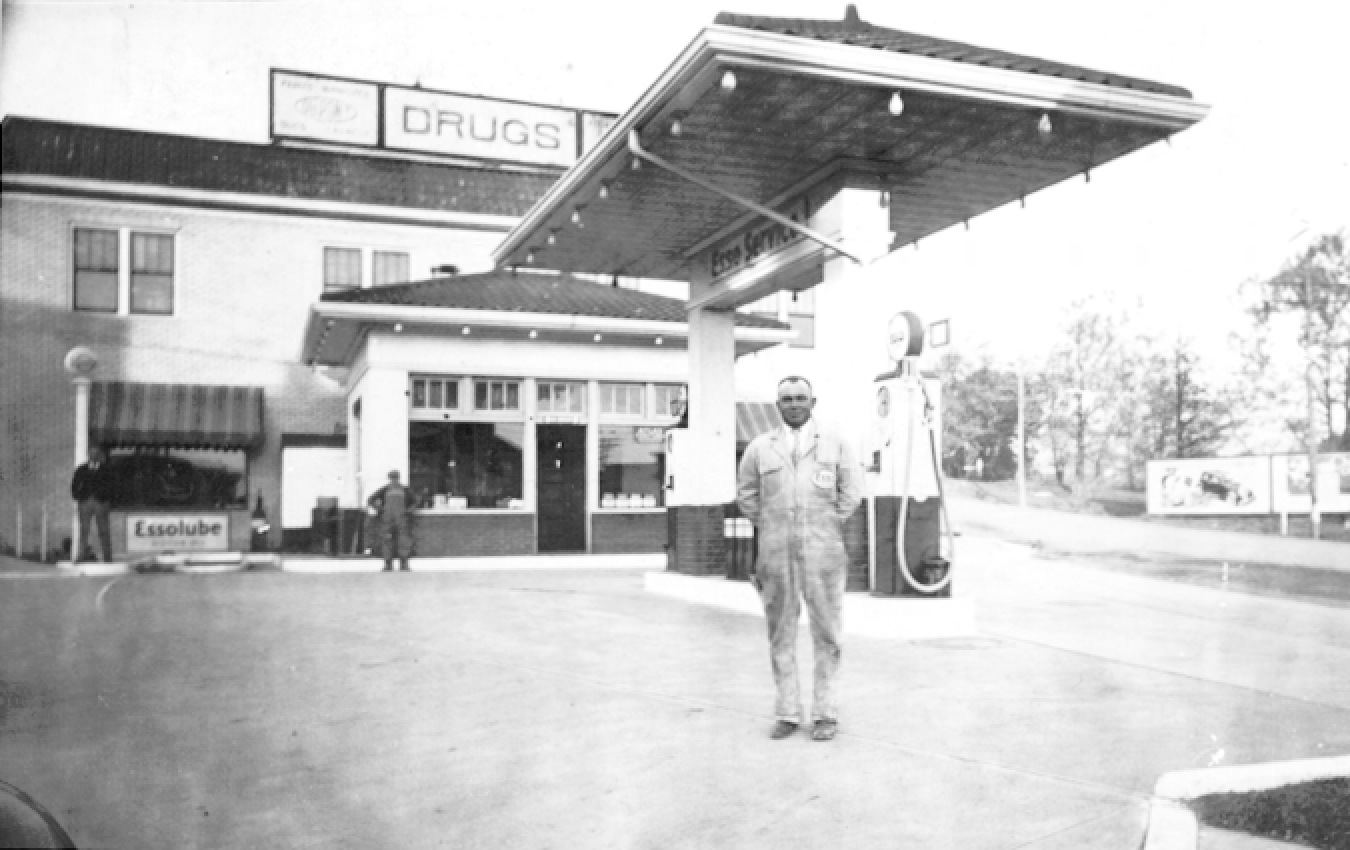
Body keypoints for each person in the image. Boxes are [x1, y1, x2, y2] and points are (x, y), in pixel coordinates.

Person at [737, 376, 861, 742]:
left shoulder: (835, 444)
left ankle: (826, 714)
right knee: (780, 636)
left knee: (828, 635)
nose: (794, 404)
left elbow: (851, 492)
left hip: (823, 555)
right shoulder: (761, 448)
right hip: (775, 557)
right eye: (787, 399)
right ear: (778, 405)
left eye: (800, 398)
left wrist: (825, 523)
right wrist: (773, 525)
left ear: (813, 402)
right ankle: (788, 713)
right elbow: (746, 496)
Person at [71, 446, 115, 563]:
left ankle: (107, 558)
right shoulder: (81, 469)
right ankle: (81, 556)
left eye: (96, 453)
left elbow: (113, 486)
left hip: (101, 502)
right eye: (91, 453)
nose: (93, 455)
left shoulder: (106, 470)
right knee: (84, 530)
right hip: (85, 502)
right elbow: (74, 485)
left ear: (99, 454)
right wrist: (79, 497)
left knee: (104, 530)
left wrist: (105, 498)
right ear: (88, 454)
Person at [367, 470, 414, 572]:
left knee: (392, 541)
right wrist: (408, 511)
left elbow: (370, 500)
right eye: (393, 478)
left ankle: (391, 565)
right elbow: (415, 502)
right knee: (400, 541)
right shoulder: (404, 490)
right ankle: (401, 564)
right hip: (397, 519)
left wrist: (380, 509)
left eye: (394, 478)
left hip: (393, 519)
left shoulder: (386, 489)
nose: (394, 480)